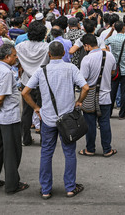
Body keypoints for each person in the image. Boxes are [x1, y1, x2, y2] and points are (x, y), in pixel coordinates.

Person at [22, 42, 88, 199]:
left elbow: (25, 92)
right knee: (69, 152)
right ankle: (70, 187)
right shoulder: (71, 68)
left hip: (48, 118)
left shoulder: (41, 70)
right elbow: (85, 87)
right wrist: (78, 102)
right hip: (67, 119)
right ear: (64, 52)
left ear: (49, 54)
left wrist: (36, 108)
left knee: (46, 152)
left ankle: (45, 189)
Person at [0, 44, 29, 194]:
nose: (16, 58)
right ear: (7, 56)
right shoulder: (6, 73)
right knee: (12, 152)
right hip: (8, 118)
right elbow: (1, 97)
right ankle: (12, 184)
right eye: (14, 55)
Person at [78, 34, 118, 157]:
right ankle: (107, 149)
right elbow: (113, 72)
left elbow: (83, 80)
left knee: (90, 124)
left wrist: (79, 100)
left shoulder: (87, 59)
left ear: (87, 46)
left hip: (89, 97)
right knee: (105, 123)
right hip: (106, 96)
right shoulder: (109, 55)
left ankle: (90, 149)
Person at [15, 21, 50, 146]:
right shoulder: (46, 47)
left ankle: (26, 138)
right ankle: (43, 138)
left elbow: (15, 62)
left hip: (26, 81)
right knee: (43, 110)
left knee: (26, 111)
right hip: (42, 82)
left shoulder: (20, 46)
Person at [105, 20, 125, 119]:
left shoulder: (111, 39)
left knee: (112, 91)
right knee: (124, 92)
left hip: (114, 69)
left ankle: (108, 113)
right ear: (123, 28)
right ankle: (122, 113)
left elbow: (104, 42)